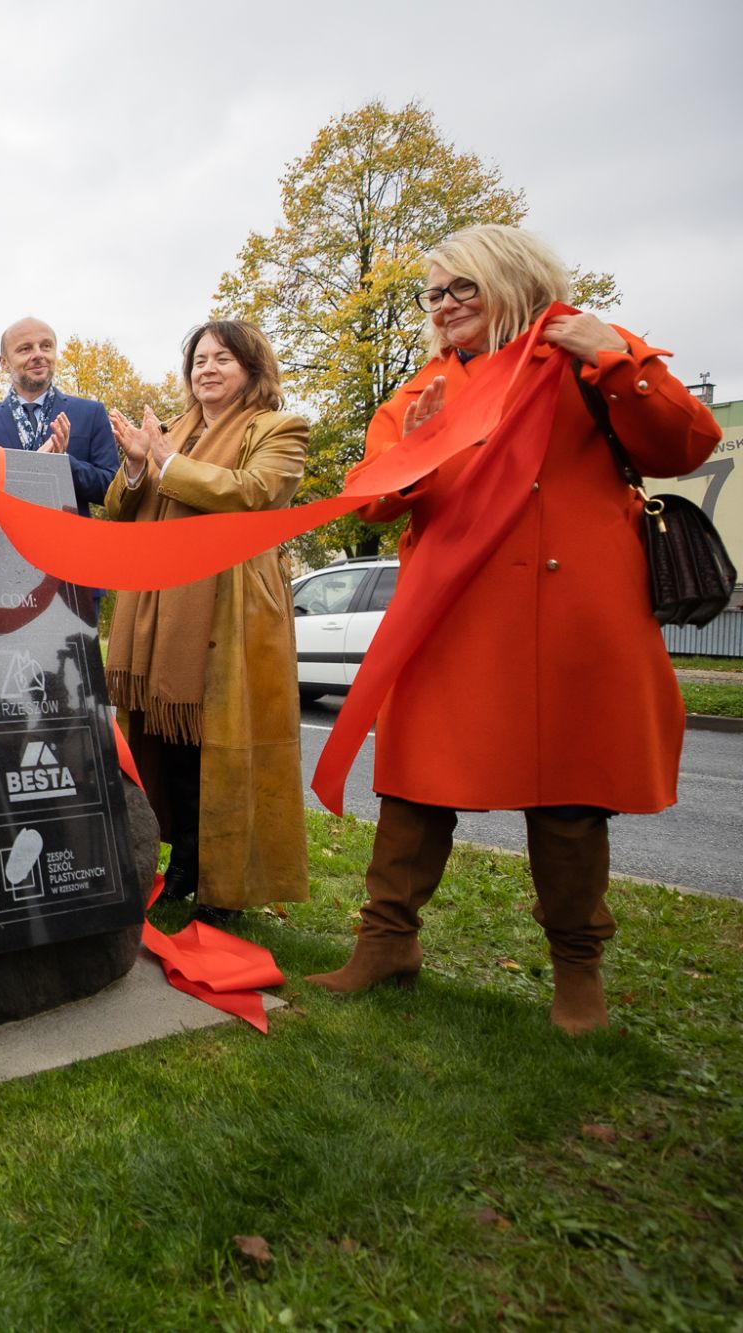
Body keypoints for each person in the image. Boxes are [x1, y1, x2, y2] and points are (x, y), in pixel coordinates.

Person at [307, 224, 720, 1033]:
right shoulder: (423, 383)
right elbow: (370, 496)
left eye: (464, 286)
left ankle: (578, 973)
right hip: (450, 613)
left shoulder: (585, 349)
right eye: (436, 293)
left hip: (566, 613)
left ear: (514, 277)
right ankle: (386, 943)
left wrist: (619, 360)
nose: (447, 305)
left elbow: (687, 443)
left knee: (567, 789)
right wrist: (420, 441)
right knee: (414, 780)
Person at [102, 321, 310, 918]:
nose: (207, 369)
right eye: (199, 359)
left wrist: (168, 466)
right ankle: (186, 862)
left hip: (229, 608)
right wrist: (140, 466)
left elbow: (255, 492)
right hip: (158, 611)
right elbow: (122, 508)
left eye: (223, 358)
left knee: (216, 744)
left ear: (251, 367)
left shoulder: (278, 429)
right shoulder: (171, 433)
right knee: (166, 742)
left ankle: (226, 887)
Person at [0, 316, 118, 508]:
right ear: (4, 363)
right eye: (25, 349)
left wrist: (63, 465)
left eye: (46, 346)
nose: (38, 354)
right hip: (5, 536)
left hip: (69, 535)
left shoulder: (91, 414)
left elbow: (111, 490)